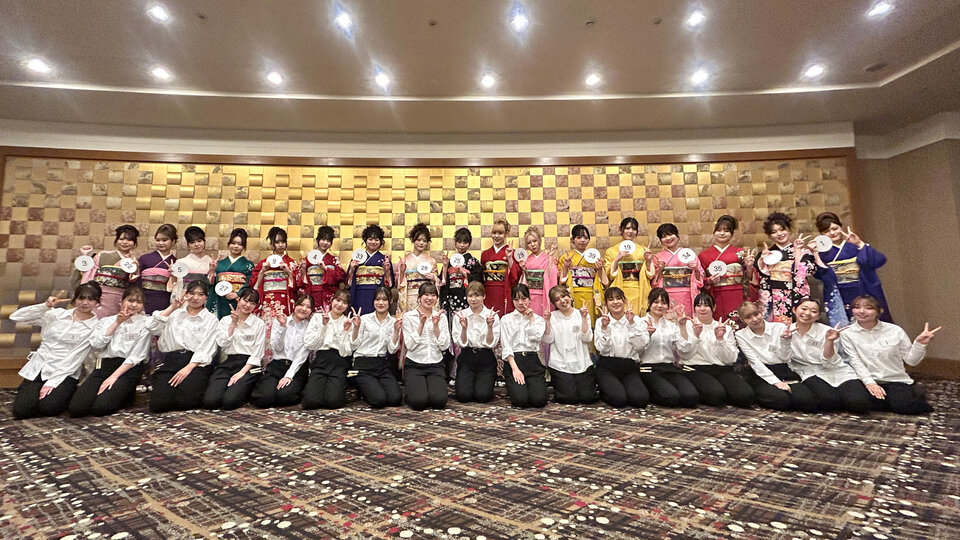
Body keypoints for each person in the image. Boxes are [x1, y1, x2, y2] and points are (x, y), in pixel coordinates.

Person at [10, 283, 102, 419]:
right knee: (21, 411)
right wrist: (45, 306)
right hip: (39, 367)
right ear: (74, 299)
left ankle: (69, 391)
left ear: (97, 302)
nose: (85, 302)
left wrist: (52, 383)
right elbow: (16, 317)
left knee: (48, 408)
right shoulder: (57, 315)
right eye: (81, 298)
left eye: (91, 299)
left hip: (65, 371)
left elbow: (75, 358)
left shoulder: (95, 327)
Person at [839, 295, 938, 415]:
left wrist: (919, 344)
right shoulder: (847, 333)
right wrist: (870, 383)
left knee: (903, 406)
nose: (861, 311)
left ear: (879, 311)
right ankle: (895, 399)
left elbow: (911, 361)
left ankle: (907, 395)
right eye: (857, 307)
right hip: (865, 380)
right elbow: (855, 361)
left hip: (894, 379)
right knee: (856, 403)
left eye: (869, 308)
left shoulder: (895, 330)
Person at [68, 286, 151, 417]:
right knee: (77, 409)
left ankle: (126, 393)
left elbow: (136, 356)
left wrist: (113, 377)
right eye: (130, 300)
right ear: (121, 302)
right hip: (105, 365)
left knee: (101, 408)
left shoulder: (145, 323)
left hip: (128, 368)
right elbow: (97, 344)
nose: (134, 305)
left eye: (139, 302)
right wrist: (117, 323)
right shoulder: (107, 321)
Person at [786, 298, 874, 414]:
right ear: (794, 310)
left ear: (818, 316)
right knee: (829, 402)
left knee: (860, 404)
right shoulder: (786, 331)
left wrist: (829, 341)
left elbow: (829, 361)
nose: (807, 313)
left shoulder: (828, 331)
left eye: (813, 311)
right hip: (809, 372)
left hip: (836, 370)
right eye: (804, 309)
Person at [147, 280, 218, 413]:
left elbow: (207, 348)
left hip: (195, 363)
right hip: (172, 360)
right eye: (191, 293)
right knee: (158, 405)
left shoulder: (211, 320)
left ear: (206, 297)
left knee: (186, 402)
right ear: (185, 294)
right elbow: (151, 326)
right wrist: (172, 307)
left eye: (200, 294)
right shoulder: (175, 314)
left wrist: (187, 368)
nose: (195, 298)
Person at [734, 301, 818, 412]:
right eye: (748, 317)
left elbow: (785, 358)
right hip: (760, 372)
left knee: (807, 402)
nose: (754, 319)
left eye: (756, 314)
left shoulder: (779, 327)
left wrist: (785, 341)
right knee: (781, 401)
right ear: (742, 320)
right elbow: (755, 362)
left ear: (761, 312)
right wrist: (775, 381)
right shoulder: (741, 335)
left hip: (782, 368)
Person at [676, 293, 755, 408]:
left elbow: (730, 359)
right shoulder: (686, 325)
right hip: (696, 368)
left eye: (706, 305)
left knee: (746, 397)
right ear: (694, 308)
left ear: (714, 307)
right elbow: (684, 354)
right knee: (716, 396)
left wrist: (720, 339)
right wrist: (696, 336)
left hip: (722, 369)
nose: (702, 309)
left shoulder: (724, 327)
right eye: (698, 305)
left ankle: (725, 392)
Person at [812, 212, 892, 326]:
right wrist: (815, 253)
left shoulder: (854, 245)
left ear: (841, 227)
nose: (832, 233)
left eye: (835, 228)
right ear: (821, 234)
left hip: (862, 288)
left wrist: (859, 243)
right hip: (839, 292)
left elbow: (878, 260)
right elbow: (822, 275)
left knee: (869, 319)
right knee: (844, 325)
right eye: (827, 231)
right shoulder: (822, 253)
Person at [204, 288, 266, 410]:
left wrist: (241, 373)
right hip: (230, 362)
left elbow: (257, 353)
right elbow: (222, 343)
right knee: (211, 402)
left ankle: (248, 391)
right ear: (239, 299)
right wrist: (233, 324)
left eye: (252, 303)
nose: (248, 305)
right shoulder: (225, 320)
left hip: (249, 365)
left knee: (230, 402)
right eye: (245, 300)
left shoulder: (258, 323)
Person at [637, 288, 699, 407]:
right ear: (649, 303)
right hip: (649, 369)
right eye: (656, 302)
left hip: (669, 368)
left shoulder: (671, 326)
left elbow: (683, 350)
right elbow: (636, 350)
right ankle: (648, 393)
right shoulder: (639, 323)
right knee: (671, 398)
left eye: (664, 302)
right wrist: (647, 335)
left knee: (691, 397)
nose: (660, 305)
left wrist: (682, 327)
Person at [249, 294, 314, 408]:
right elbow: (276, 348)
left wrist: (289, 376)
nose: (304, 309)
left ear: (311, 311)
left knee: (285, 396)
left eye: (308, 307)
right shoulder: (281, 320)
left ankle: (300, 388)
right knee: (263, 399)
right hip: (277, 365)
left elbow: (302, 356)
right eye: (301, 305)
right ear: (295, 305)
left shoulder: (310, 327)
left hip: (297, 368)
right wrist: (283, 326)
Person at [594, 287, 649, 408]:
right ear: (606, 304)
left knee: (641, 400)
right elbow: (601, 349)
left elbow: (641, 346)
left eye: (618, 298)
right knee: (619, 400)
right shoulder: (601, 322)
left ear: (624, 300)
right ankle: (604, 390)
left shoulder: (637, 320)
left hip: (629, 366)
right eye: (611, 299)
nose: (615, 302)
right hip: (607, 365)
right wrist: (605, 328)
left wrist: (631, 324)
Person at [755, 212, 815, 323]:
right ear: (769, 236)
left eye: (782, 229)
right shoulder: (766, 253)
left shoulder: (803, 251)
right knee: (774, 327)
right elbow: (758, 276)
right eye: (774, 232)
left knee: (797, 324)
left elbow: (805, 272)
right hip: (771, 294)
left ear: (789, 230)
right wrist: (762, 260)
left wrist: (797, 251)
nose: (779, 234)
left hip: (794, 293)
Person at [543, 286, 598, 404]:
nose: (562, 301)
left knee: (588, 398)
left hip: (582, 363)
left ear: (570, 296)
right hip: (560, 364)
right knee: (569, 398)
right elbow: (548, 340)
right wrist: (547, 321)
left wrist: (584, 318)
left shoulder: (581, 313)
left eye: (564, 296)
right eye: (557, 299)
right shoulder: (552, 317)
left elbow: (587, 338)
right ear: (554, 304)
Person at [350, 286, 403, 408]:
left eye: (384, 299)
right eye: (377, 299)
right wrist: (356, 328)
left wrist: (396, 331)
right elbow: (353, 345)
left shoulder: (393, 322)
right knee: (379, 401)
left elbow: (392, 350)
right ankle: (364, 389)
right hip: (363, 363)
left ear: (390, 301)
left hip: (381, 364)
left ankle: (372, 387)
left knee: (395, 399)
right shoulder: (364, 319)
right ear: (373, 301)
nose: (380, 303)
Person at [302, 289, 356, 409]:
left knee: (333, 402)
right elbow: (310, 345)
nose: (340, 304)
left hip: (339, 362)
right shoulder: (317, 317)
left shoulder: (348, 321)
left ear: (347, 305)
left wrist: (345, 331)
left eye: (344, 302)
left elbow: (345, 352)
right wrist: (323, 325)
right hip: (321, 361)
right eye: (338, 300)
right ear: (332, 300)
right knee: (310, 402)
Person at [402, 283, 452, 410]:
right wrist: (421, 324)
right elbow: (409, 345)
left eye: (433, 295)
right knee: (419, 402)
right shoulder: (408, 317)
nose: (430, 298)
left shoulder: (441, 317)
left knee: (439, 402)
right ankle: (413, 393)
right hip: (414, 364)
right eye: (426, 294)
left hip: (435, 364)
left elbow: (444, 346)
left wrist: (436, 326)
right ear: (419, 297)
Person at [698, 215, 756, 321]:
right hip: (715, 293)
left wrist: (749, 267)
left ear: (732, 234)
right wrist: (709, 280)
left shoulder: (740, 253)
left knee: (737, 321)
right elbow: (699, 278)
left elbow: (749, 279)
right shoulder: (704, 255)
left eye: (726, 231)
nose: (722, 233)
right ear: (714, 232)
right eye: (719, 230)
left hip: (737, 292)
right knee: (718, 322)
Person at [499, 284, 548, 408]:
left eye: (524, 298)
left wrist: (531, 318)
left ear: (530, 299)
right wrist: (515, 369)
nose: (520, 303)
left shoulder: (538, 319)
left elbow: (536, 337)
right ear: (512, 301)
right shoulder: (506, 319)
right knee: (520, 400)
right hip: (514, 361)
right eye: (516, 299)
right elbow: (506, 346)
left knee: (539, 400)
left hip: (532, 360)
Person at [76, 224, 140, 318]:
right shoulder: (103, 255)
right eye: (121, 239)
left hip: (119, 297)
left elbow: (133, 282)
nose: (125, 242)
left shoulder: (133, 261)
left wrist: (136, 270)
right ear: (116, 241)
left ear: (134, 243)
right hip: (99, 294)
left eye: (129, 240)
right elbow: (90, 274)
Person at [452, 282, 500, 403]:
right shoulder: (460, 315)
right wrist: (464, 328)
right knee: (463, 396)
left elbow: (491, 344)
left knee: (482, 396)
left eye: (477, 295)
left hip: (486, 357)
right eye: (470, 296)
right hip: (467, 356)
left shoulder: (492, 316)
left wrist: (489, 327)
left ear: (484, 296)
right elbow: (461, 343)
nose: (473, 299)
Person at [651, 223, 704, 319]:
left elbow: (700, 279)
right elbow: (654, 283)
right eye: (664, 236)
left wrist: (695, 269)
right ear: (661, 240)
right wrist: (660, 270)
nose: (668, 238)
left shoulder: (689, 254)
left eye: (670, 234)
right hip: (666, 294)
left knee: (687, 320)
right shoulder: (658, 257)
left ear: (677, 236)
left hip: (686, 293)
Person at [558, 224, 607, 325]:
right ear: (572, 239)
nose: (582, 240)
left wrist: (600, 268)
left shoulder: (595, 257)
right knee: (574, 321)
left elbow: (603, 281)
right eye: (579, 237)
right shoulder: (565, 257)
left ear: (589, 239)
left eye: (585, 238)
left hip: (590, 293)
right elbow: (561, 280)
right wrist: (566, 267)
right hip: (573, 293)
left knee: (590, 320)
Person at [604, 217, 654, 314]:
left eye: (634, 229)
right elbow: (609, 275)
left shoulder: (642, 250)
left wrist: (648, 261)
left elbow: (650, 275)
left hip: (639, 288)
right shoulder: (611, 251)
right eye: (627, 228)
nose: (630, 231)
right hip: (619, 289)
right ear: (620, 230)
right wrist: (617, 258)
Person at [207, 228, 254, 319]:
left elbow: (250, 283)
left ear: (244, 247)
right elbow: (211, 284)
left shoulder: (248, 265)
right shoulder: (219, 263)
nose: (236, 246)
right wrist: (212, 271)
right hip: (219, 300)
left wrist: (238, 294)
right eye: (233, 243)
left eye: (240, 244)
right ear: (228, 244)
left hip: (237, 300)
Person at [251, 227, 298, 317]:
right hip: (267, 300)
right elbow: (254, 285)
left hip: (285, 299)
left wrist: (288, 272)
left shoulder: (292, 263)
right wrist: (262, 271)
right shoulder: (263, 263)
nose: (280, 245)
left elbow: (297, 286)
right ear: (271, 244)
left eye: (283, 242)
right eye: (277, 242)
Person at [348, 224, 393, 315]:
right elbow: (348, 284)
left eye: (376, 240)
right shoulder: (357, 258)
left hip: (377, 294)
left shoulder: (384, 259)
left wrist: (387, 271)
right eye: (370, 239)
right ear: (365, 240)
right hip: (360, 293)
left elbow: (389, 285)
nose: (373, 242)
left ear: (381, 242)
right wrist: (352, 269)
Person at [300, 225, 347, 312]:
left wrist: (326, 269)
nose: (325, 243)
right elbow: (300, 280)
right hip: (312, 293)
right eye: (323, 239)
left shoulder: (333, 259)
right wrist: (303, 270)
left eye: (328, 241)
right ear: (317, 240)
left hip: (328, 292)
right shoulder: (307, 258)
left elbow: (340, 277)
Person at [481, 218, 522, 316]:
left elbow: (515, 277)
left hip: (505, 290)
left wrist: (510, 258)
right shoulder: (485, 254)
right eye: (494, 233)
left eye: (500, 233)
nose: (496, 236)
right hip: (488, 291)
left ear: (506, 233)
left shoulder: (513, 253)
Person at [440, 227, 483, 315]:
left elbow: (479, 278)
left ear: (469, 243)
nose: (462, 245)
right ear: (455, 242)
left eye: (465, 242)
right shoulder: (450, 261)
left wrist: (466, 275)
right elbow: (443, 281)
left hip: (466, 296)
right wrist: (445, 266)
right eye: (459, 242)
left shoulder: (472, 261)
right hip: (451, 296)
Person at [398, 223, 440, 311]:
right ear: (413, 240)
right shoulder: (404, 261)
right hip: (410, 297)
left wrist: (433, 277)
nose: (421, 243)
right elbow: (399, 284)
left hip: (427, 298)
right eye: (418, 240)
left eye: (424, 241)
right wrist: (402, 272)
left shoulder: (431, 261)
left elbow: (437, 284)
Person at [136, 223, 177, 314]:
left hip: (165, 299)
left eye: (164, 240)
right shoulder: (145, 258)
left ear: (173, 241)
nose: (161, 243)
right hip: (145, 298)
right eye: (158, 240)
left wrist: (174, 275)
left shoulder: (176, 262)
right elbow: (136, 279)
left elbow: (177, 286)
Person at [519, 226, 559, 317]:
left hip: (543, 293)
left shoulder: (548, 257)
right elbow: (524, 280)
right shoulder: (526, 260)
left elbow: (552, 275)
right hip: (529, 295)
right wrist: (523, 271)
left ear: (540, 240)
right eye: (529, 243)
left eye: (535, 241)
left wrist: (550, 259)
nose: (532, 244)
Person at [171, 225, 214, 300]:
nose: (196, 244)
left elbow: (212, 284)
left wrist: (213, 270)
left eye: (199, 241)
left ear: (204, 242)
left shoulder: (211, 262)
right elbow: (177, 286)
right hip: (186, 299)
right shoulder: (181, 262)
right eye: (192, 242)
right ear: (188, 245)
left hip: (205, 299)